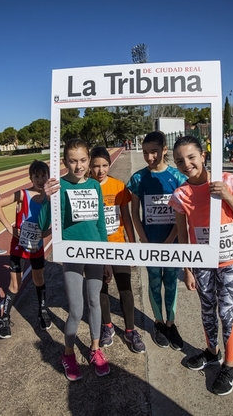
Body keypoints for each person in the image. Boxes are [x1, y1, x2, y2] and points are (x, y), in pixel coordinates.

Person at [168, 135, 233, 396]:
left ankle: (230, 365)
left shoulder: (224, 181)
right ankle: (211, 352)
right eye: (180, 161)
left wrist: (227, 194)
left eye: (191, 157)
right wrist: (187, 268)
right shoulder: (181, 194)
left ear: (203, 156)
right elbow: (183, 234)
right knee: (207, 309)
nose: (187, 164)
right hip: (201, 262)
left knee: (226, 312)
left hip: (228, 261)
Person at [38, 139, 110, 381]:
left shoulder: (95, 185)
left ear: (88, 159)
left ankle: (95, 349)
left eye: (82, 160)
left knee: (94, 303)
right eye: (72, 161)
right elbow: (42, 225)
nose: (78, 166)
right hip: (72, 255)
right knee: (77, 310)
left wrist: (106, 256)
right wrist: (47, 198)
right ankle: (68, 354)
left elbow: (101, 223)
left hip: (96, 254)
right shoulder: (59, 187)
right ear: (64, 161)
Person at [127, 131, 187, 350]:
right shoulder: (138, 178)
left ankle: (171, 323)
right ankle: (159, 323)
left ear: (164, 150)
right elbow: (134, 213)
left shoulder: (179, 178)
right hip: (150, 243)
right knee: (154, 282)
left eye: (154, 152)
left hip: (172, 242)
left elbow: (183, 214)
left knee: (171, 282)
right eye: (145, 153)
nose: (149, 157)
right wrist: (144, 240)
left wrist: (171, 239)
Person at [89, 147, 145, 354]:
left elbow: (126, 217)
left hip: (119, 246)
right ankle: (107, 326)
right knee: (101, 288)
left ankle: (130, 329)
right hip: (95, 248)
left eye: (104, 165)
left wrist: (132, 243)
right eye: (96, 166)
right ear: (90, 166)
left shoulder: (119, 187)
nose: (100, 170)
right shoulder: (86, 187)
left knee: (125, 287)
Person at [0, 160, 52, 339]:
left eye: (43, 175)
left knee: (38, 278)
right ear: (30, 178)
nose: (40, 179)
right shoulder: (22, 194)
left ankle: (42, 310)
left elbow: (56, 222)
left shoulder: (51, 198)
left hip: (37, 247)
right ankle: (4, 317)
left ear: (48, 176)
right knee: (14, 284)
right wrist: (9, 228)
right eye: (37, 176)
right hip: (19, 246)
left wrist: (46, 233)